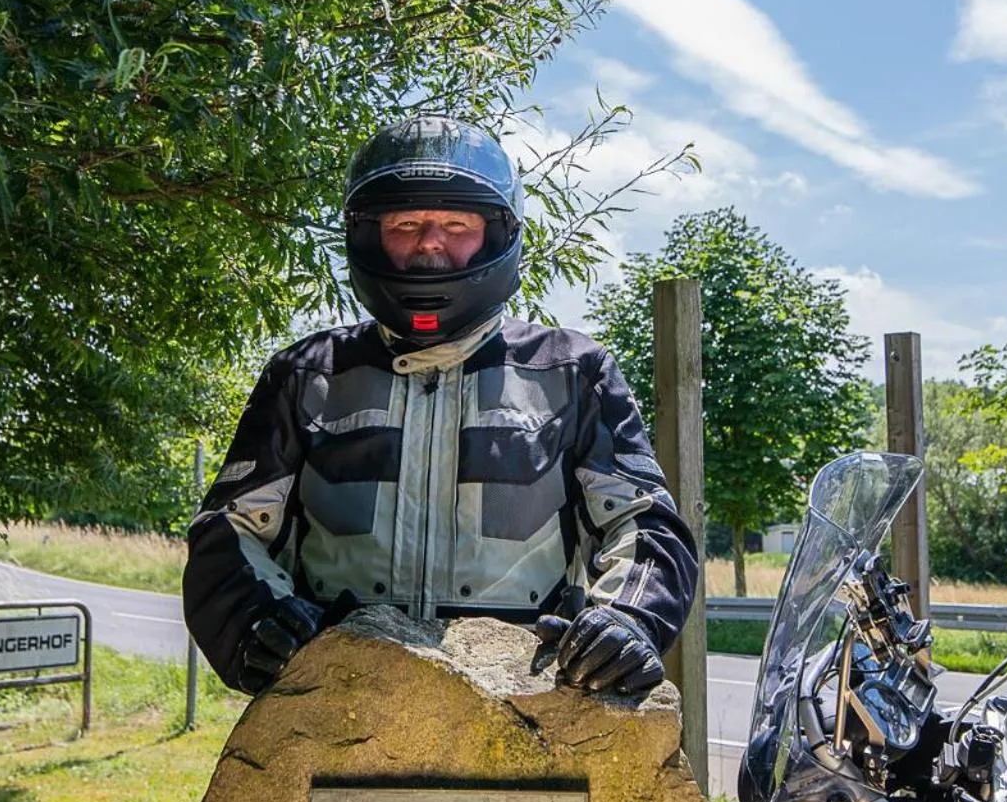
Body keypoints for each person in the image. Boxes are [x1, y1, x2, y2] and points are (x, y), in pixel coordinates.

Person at [182, 114, 697, 702]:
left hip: (519, 704)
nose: (430, 242)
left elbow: (644, 523)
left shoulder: (573, 372)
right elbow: (230, 530)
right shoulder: (307, 373)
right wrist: (257, 622)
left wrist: (626, 619)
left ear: (498, 234)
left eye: (456, 224)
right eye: (406, 224)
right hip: (337, 698)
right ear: (369, 235)